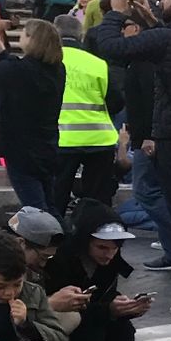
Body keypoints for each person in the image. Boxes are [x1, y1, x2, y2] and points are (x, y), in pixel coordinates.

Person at [50, 200, 145, 341]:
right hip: (62, 319)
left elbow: (104, 294)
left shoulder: (109, 263)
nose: (109, 255)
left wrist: (125, 306)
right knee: (89, 334)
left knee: (123, 330)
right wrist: (108, 309)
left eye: (114, 248)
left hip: (92, 314)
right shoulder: (63, 259)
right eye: (102, 248)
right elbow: (68, 306)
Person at [48, 14, 119, 219]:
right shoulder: (97, 63)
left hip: (62, 139)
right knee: (97, 202)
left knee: (55, 198)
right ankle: (94, 240)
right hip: (99, 139)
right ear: (81, 35)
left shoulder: (49, 61)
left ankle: (55, 246)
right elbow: (116, 101)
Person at [0, 16, 63, 212]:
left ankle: (53, 241)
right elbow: (15, 69)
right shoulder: (57, 70)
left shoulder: (15, 71)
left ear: (32, 40)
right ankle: (62, 238)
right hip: (46, 146)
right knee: (48, 203)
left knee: (35, 209)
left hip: (20, 149)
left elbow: (5, 73)